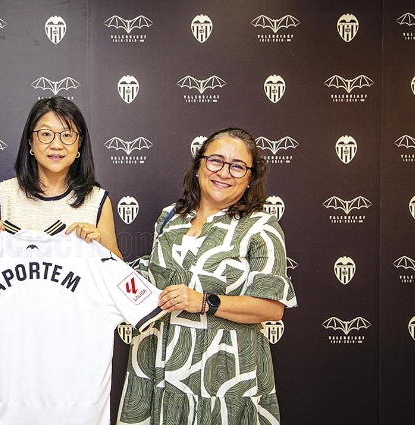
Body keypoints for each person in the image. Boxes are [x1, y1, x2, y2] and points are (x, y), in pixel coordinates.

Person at [116, 127, 297, 425]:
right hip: (157, 361)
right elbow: (147, 276)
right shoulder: (170, 217)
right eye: (215, 161)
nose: (224, 172)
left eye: (237, 166)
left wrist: (203, 301)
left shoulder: (261, 227)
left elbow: (271, 308)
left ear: (250, 177)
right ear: (199, 164)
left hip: (224, 374)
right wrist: (96, 251)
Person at [0, 96, 122, 259]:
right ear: (30, 141)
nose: (56, 145)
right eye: (46, 134)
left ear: (79, 143)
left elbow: (119, 274)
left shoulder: (96, 200)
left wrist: (99, 246)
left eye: (66, 135)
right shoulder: (3, 197)